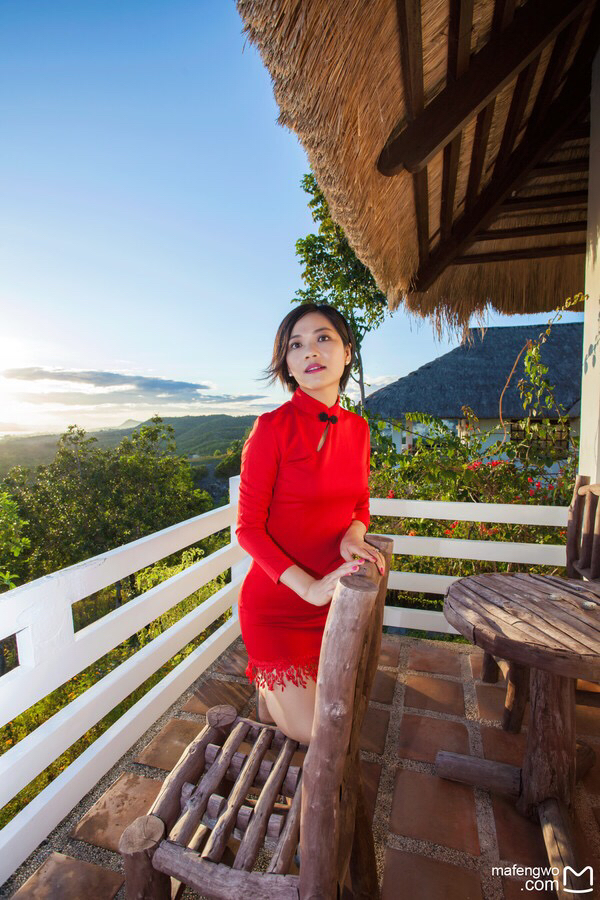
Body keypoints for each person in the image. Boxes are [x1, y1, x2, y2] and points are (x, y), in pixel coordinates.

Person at [235, 303, 385, 745]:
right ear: (287, 363)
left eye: (323, 338)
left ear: (347, 352)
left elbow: (359, 504)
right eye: (295, 345)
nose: (310, 352)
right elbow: (248, 529)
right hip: (278, 607)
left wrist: (352, 536)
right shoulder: (271, 429)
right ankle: (272, 684)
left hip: (331, 604)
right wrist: (310, 588)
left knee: (343, 711)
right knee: (322, 732)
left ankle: (272, 697)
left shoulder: (358, 430)